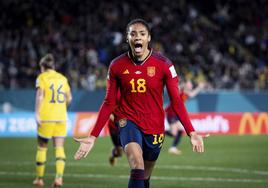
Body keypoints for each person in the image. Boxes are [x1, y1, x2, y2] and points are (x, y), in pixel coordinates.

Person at [74, 18, 206, 188]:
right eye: (133, 34)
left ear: (148, 38)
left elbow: (177, 102)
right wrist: (93, 136)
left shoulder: (164, 65)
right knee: (137, 165)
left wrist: (191, 132)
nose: (138, 37)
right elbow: (109, 102)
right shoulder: (116, 65)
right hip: (127, 121)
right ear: (127, 38)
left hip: (154, 125)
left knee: (144, 177)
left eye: (142, 34)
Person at [33, 54, 72, 187]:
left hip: (46, 117)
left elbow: (39, 96)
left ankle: (39, 179)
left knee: (42, 148)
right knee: (59, 148)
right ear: (53, 66)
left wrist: (37, 114)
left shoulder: (42, 77)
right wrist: (62, 108)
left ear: (42, 67)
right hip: (61, 118)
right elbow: (69, 98)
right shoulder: (63, 78)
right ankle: (59, 178)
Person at [165, 80, 205, 155]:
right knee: (174, 133)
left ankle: (173, 148)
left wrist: (199, 87)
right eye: (189, 84)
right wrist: (181, 85)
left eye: (191, 84)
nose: (191, 85)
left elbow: (193, 94)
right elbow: (175, 90)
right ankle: (161, 132)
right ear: (186, 85)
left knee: (180, 130)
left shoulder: (187, 93)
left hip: (177, 114)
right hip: (171, 113)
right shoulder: (180, 91)